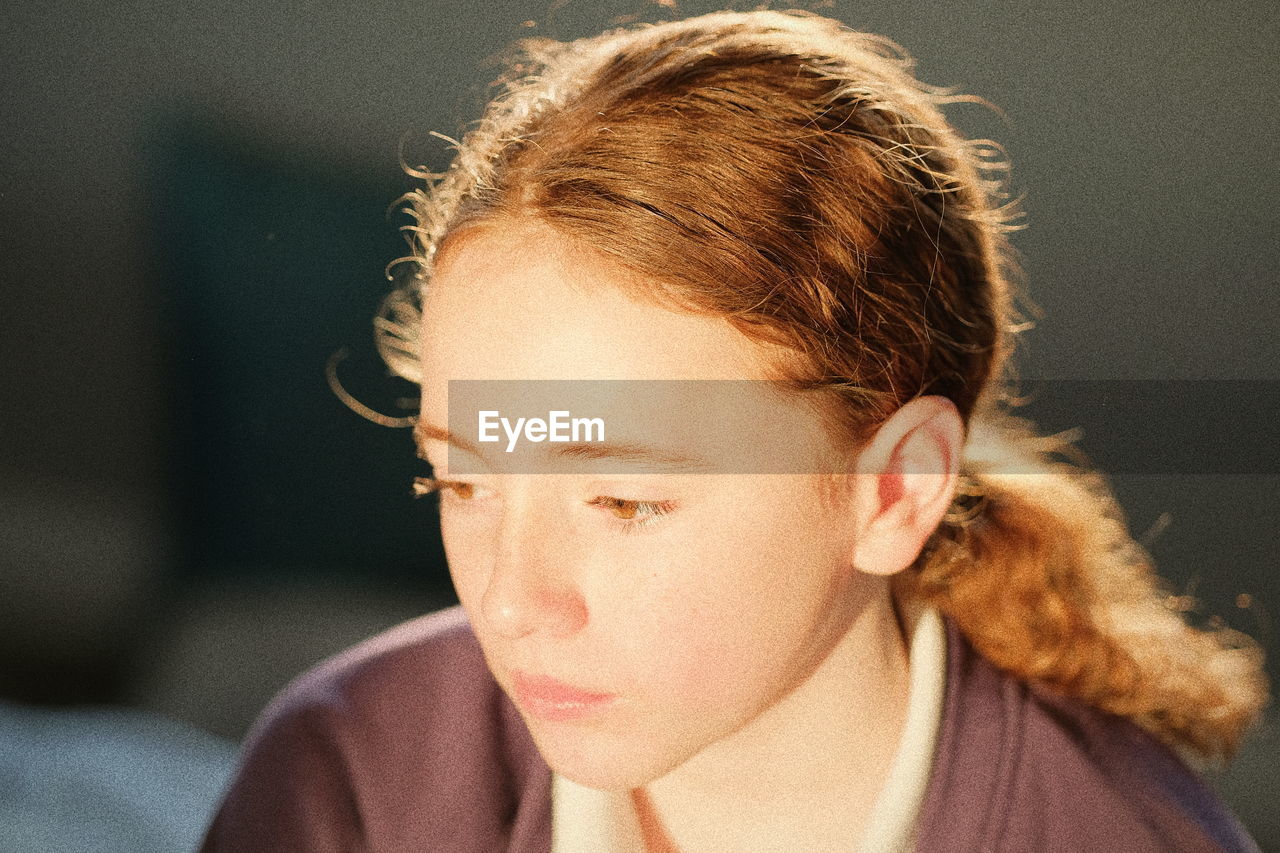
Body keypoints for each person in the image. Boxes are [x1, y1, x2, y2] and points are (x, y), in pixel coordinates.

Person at [200, 9, 1268, 852]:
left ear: (893, 489)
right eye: (462, 482)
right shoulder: (340, 781)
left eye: (623, 499)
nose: (510, 603)